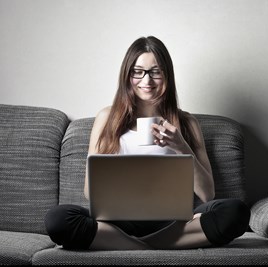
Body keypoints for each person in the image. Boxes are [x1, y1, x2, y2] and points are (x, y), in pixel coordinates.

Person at [44, 36, 250, 250]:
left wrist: (181, 147)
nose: (147, 80)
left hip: (173, 223)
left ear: (167, 75)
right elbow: (89, 192)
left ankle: (133, 246)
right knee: (58, 219)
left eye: (156, 71)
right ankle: (150, 247)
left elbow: (207, 194)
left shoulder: (187, 123)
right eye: (138, 71)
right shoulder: (107, 118)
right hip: (116, 223)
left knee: (236, 212)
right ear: (127, 75)